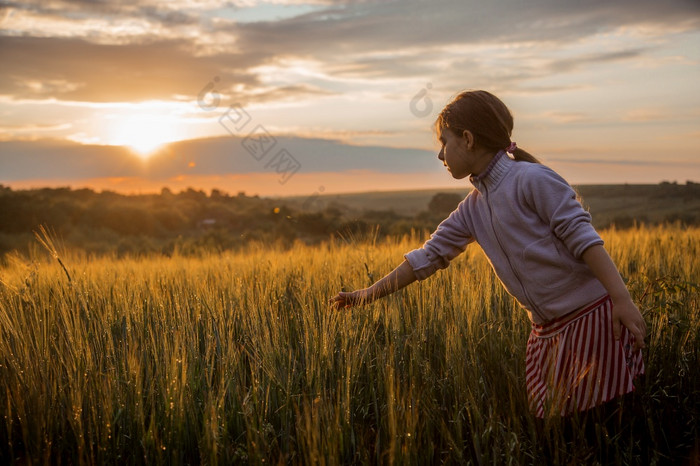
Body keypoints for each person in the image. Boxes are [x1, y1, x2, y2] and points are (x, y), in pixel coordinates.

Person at [329, 90, 646, 419]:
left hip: (592, 321)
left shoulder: (531, 179)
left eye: (444, 142)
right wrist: (368, 294)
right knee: (567, 439)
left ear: (467, 139)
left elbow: (583, 238)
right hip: (548, 333)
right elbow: (427, 257)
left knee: (610, 429)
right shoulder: (472, 208)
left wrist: (621, 299)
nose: (440, 155)